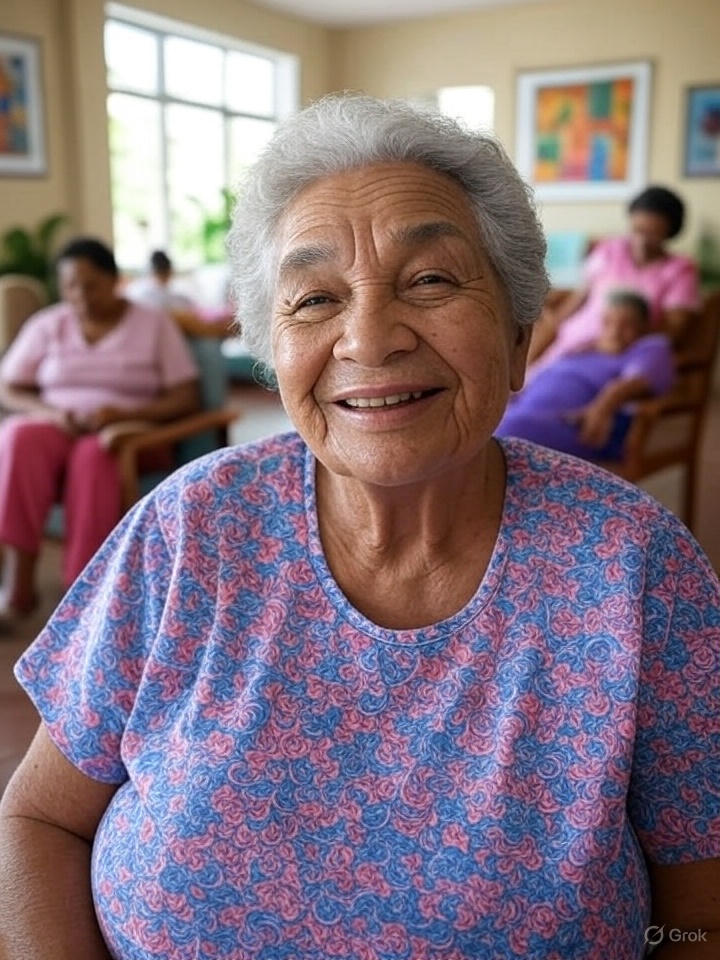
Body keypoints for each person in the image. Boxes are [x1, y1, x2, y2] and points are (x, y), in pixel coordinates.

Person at [1, 97, 718, 960]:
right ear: (273, 352)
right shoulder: (191, 527)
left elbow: (697, 917)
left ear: (521, 335)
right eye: (314, 299)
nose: (369, 339)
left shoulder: (636, 569)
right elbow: (39, 816)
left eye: (431, 280)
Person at [0, 237, 199, 622]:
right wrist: (51, 412)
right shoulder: (49, 323)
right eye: (70, 286)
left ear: (114, 281)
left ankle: (82, 592)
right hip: (60, 425)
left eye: (90, 284)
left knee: (95, 455)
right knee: (20, 436)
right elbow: (7, 386)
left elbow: (186, 397)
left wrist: (123, 412)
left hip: (130, 434)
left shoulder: (153, 324)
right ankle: (19, 579)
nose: (80, 296)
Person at [527, 185, 700, 380]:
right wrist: (532, 355)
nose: (641, 242)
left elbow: (671, 331)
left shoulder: (680, 270)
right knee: (526, 386)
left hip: (616, 357)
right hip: (570, 346)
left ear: (670, 232)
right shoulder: (610, 250)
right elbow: (574, 304)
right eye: (637, 230)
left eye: (652, 234)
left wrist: (613, 342)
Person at [496, 289, 674, 460]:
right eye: (609, 322)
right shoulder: (584, 349)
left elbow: (639, 380)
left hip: (578, 425)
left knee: (504, 431)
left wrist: (603, 407)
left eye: (627, 325)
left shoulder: (649, 347)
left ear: (643, 328)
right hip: (525, 414)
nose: (615, 332)